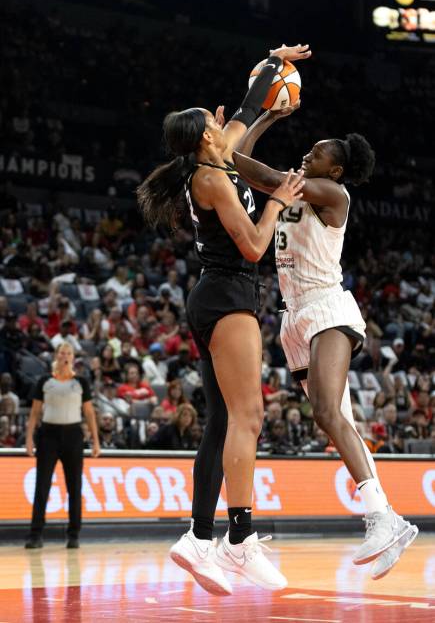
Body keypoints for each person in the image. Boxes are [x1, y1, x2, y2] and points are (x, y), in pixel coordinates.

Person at [136, 43, 310, 595]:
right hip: (228, 293)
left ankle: (198, 537)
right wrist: (279, 198)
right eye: (212, 120)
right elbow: (256, 246)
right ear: (205, 135)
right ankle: (240, 540)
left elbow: (243, 110)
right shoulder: (209, 179)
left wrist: (270, 69)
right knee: (249, 416)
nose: (220, 120)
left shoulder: (216, 156)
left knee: (220, 424)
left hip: (218, 295)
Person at [232, 104, 418, 580]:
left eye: (317, 153)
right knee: (340, 423)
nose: (307, 154)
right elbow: (243, 164)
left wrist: (247, 124)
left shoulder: (332, 193)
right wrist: (267, 121)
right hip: (294, 317)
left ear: (334, 169)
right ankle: (389, 519)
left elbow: (251, 167)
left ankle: (380, 517)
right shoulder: (298, 189)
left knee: (327, 413)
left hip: (326, 308)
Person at [24, 342, 100, 549]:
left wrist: (96, 440)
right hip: (48, 435)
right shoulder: (45, 381)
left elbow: (89, 413)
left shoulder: (81, 382)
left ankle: (74, 534)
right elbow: (34, 413)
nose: (65, 356)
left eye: (68, 353)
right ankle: (35, 534)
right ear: (56, 356)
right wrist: (29, 439)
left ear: (73, 357)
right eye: (62, 353)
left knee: (74, 486)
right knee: (42, 486)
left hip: (73, 435)